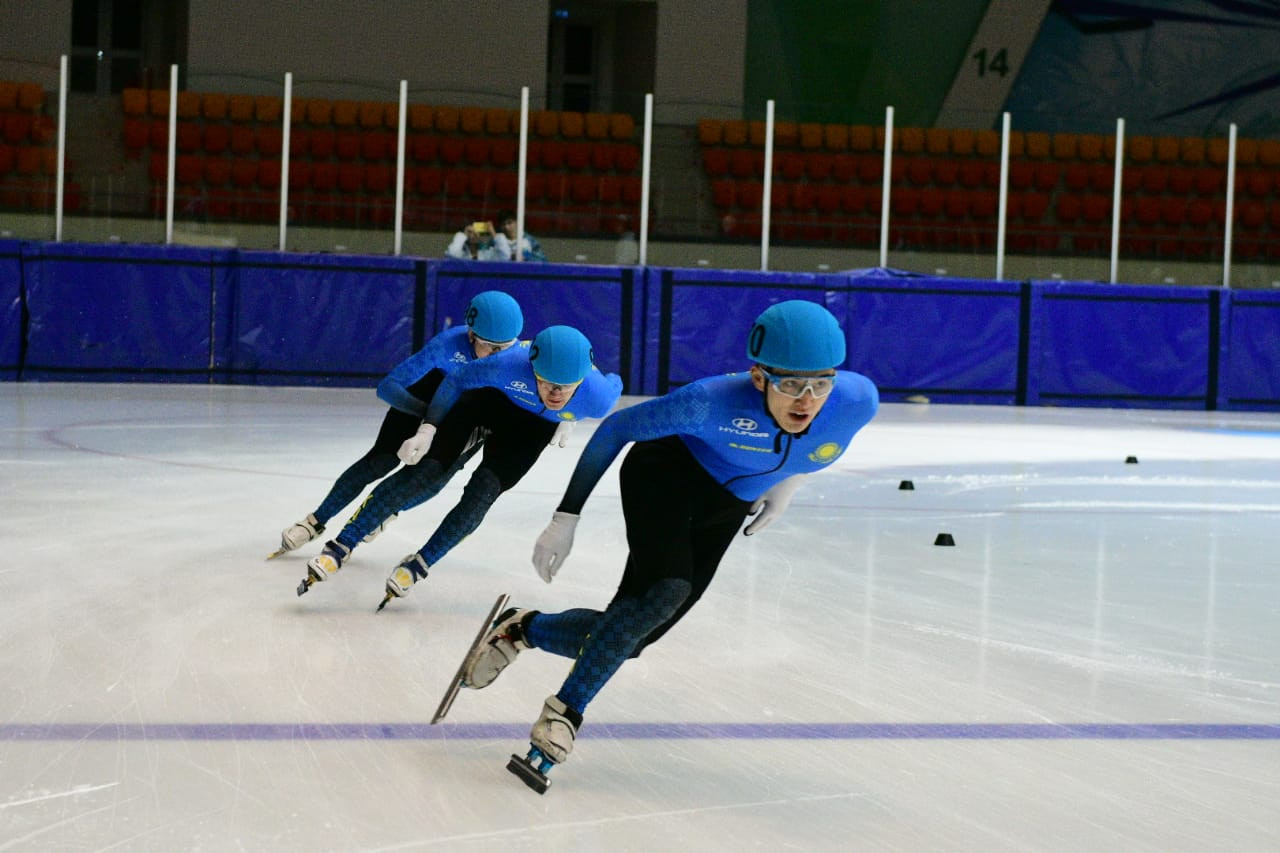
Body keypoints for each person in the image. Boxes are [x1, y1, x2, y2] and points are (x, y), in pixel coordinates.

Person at [459, 300, 879, 783]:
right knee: (666, 591)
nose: (806, 400)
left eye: (820, 384)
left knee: (632, 637)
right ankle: (564, 715)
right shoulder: (709, 401)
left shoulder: (856, 402)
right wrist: (566, 515)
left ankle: (522, 629)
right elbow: (615, 429)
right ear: (759, 377)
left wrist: (789, 479)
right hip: (664, 476)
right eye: (790, 384)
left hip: (727, 504)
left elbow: (818, 445)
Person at [296, 324, 624, 609]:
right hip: (485, 407)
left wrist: (568, 417)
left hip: (529, 431)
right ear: (531, 367)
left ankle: (420, 564)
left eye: (567, 386)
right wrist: (429, 428)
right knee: (423, 474)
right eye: (547, 382)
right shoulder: (508, 363)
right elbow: (455, 382)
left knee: (482, 493)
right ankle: (342, 544)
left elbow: (614, 380)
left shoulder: (598, 397)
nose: (556, 393)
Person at [272, 291, 524, 558]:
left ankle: (387, 510)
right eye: (491, 347)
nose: (498, 355)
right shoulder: (448, 344)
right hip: (422, 403)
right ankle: (315, 521)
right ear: (471, 334)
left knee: (434, 480)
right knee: (379, 462)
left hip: (463, 417)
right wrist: (427, 417)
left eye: (505, 347)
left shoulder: (516, 356)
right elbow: (387, 387)